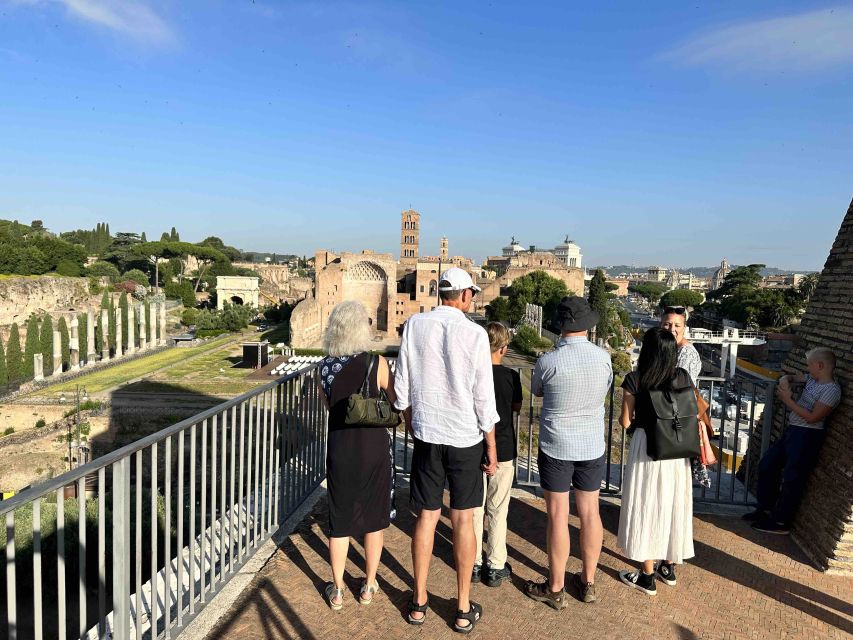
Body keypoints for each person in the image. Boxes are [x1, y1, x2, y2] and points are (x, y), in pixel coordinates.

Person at [394, 267, 500, 634]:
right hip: (465, 439)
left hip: (427, 434)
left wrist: (411, 420)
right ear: (466, 296)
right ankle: (462, 606)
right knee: (463, 520)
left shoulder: (415, 326)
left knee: (425, 517)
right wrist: (491, 445)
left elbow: (401, 385)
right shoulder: (475, 334)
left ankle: (419, 601)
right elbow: (483, 397)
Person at [524, 296, 613, 609]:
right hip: (591, 445)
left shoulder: (548, 362)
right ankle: (588, 582)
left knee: (558, 516)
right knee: (591, 513)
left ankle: (556, 586)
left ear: (561, 327)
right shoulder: (603, 358)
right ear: (587, 325)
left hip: (557, 446)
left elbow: (536, 390)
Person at [319, 301, 397, 610]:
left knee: (339, 520)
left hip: (340, 450)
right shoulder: (376, 363)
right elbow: (394, 399)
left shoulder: (324, 367)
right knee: (373, 519)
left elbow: (330, 408)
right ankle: (367, 585)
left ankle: (337, 590)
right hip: (373, 449)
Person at [617, 327, 695, 596]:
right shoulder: (683, 376)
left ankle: (647, 576)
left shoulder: (636, 379)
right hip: (677, 450)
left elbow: (626, 421)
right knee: (672, 505)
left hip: (646, 448)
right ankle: (668, 567)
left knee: (646, 505)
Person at [745, 347, 841, 535]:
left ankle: (780, 522)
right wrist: (784, 380)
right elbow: (792, 377)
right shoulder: (813, 379)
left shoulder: (831, 390)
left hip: (808, 435)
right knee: (768, 464)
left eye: (810, 364)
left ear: (820, 366)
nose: (808, 368)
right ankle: (766, 509)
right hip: (793, 431)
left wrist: (787, 400)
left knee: (792, 479)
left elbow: (814, 417)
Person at [472, 322, 522, 587]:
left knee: (474, 509)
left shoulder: (472, 373)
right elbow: (516, 407)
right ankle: (495, 564)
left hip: (475, 445)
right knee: (498, 509)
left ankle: (473, 562)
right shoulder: (512, 377)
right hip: (503, 446)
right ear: (504, 348)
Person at [660, 305, 711, 492]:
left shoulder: (686, 353)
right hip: (671, 417)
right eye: (667, 324)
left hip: (679, 419)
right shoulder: (669, 349)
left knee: (674, 477)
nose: (671, 329)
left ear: (684, 327)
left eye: (676, 325)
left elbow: (677, 388)